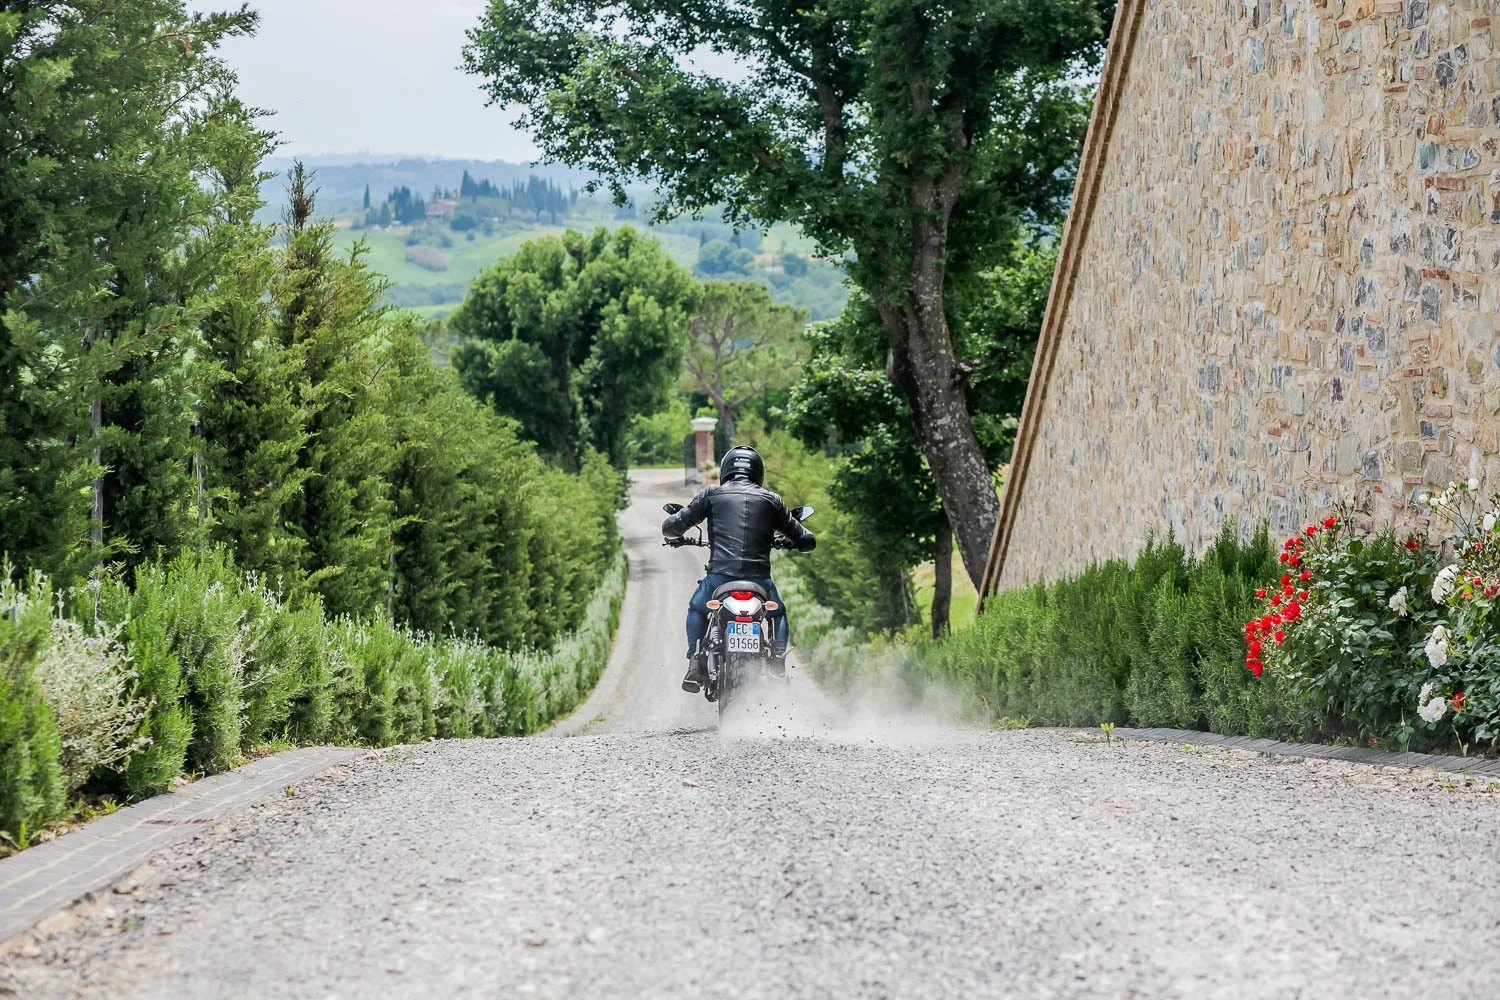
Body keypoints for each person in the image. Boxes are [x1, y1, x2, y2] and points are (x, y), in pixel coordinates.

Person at [662, 445, 815, 693]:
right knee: (778, 613)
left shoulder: (711, 495)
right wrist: (792, 541)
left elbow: (672, 527)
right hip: (759, 583)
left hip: (719, 579)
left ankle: (695, 661)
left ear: (725, 470)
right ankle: (777, 662)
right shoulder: (772, 500)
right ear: (758, 472)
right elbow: (807, 540)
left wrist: (674, 526)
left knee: (697, 608)